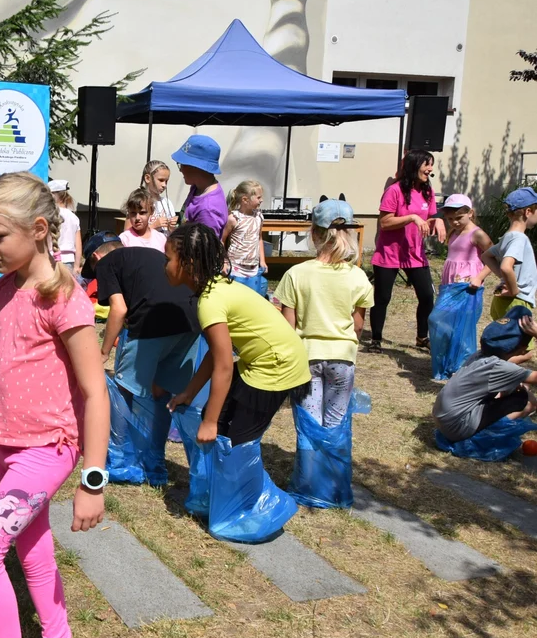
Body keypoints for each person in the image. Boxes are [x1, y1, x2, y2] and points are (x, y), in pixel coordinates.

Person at [0, 172, 107, 638]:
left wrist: (93, 480)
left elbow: (95, 392)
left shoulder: (64, 299)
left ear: (39, 229)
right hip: (9, 447)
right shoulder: (2, 291)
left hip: (50, 449)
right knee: (31, 549)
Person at [164, 223, 311, 444]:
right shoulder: (215, 287)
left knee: (236, 442)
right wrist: (190, 393)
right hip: (266, 361)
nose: (164, 266)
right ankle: (221, 473)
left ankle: (239, 476)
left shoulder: (210, 302)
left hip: (277, 366)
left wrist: (210, 423)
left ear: (188, 264)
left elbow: (223, 366)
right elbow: (215, 354)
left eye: (168, 259)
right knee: (218, 422)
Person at [274, 199, 374, 427]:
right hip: (342, 358)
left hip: (305, 358)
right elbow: (358, 327)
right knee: (335, 425)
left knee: (309, 424)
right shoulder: (358, 276)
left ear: (314, 233)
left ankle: (309, 463)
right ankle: (332, 463)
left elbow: (287, 327)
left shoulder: (295, 274)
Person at [82, 233, 200, 402]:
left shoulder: (105, 263)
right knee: (161, 390)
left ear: (96, 256)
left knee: (123, 390)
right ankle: (158, 428)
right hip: (191, 319)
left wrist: (104, 352)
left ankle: (120, 428)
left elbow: (119, 309)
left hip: (154, 321)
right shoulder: (146, 254)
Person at [367, 149, 445, 352]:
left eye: (431, 165)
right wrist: (411, 217)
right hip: (389, 253)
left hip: (415, 253)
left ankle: (421, 337)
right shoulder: (394, 191)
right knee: (382, 298)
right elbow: (385, 222)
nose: (430, 169)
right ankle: (376, 339)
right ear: (413, 165)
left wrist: (438, 221)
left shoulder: (427, 191)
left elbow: (430, 217)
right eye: (426, 164)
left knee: (427, 296)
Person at [433, 306, 537, 442]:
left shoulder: (482, 355)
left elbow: (510, 360)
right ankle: (485, 437)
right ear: (521, 349)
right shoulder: (500, 367)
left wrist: (524, 357)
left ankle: (482, 427)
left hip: (445, 420)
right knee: (529, 400)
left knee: (516, 385)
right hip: (457, 427)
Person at [479, 187, 537, 320]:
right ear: (528, 212)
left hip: (502, 302)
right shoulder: (519, 238)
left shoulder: (507, 237)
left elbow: (486, 256)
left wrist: (503, 278)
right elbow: (506, 266)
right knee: (521, 341)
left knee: (504, 339)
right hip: (516, 302)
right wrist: (513, 290)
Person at [173, 135, 228, 239]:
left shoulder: (208, 209)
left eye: (182, 164)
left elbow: (204, 251)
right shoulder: (198, 188)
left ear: (196, 167)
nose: (180, 170)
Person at [440, 194, 492, 286]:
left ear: (470, 213)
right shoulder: (453, 232)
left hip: (468, 282)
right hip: (450, 280)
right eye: (450, 219)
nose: (454, 222)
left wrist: (479, 278)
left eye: (459, 218)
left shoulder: (477, 234)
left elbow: (494, 257)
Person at [221, 180, 267, 279]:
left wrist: (262, 261)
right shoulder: (233, 218)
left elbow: (259, 239)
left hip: (253, 268)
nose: (261, 200)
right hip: (235, 267)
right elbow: (222, 240)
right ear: (245, 200)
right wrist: (224, 262)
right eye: (258, 197)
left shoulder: (259, 217)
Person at [124, 160, 177, 233]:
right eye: (161, 180)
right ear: (148, 178)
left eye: (166, 181)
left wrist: (171, 227)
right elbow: (127, 233)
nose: (164, 185)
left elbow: (171, 233)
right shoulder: (138, 201)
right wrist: (154, 226)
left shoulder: (167, 203)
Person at [49, 179, 82, 272]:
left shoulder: (47, 215)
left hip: (50, 259)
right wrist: (76, 266)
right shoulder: (74, 217)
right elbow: (78, 246)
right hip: (69, 261)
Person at [119, 188, 167, 252]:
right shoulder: (124, 239)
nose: (137, 218)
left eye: (142, 213)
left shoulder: (161, 239)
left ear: (151, 211)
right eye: (133, 213)